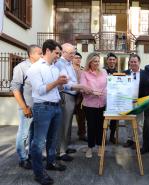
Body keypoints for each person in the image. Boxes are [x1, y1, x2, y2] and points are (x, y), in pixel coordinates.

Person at [27, 39, 68, 185]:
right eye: (57, 53)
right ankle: (39, 174)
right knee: (38, 142)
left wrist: (61, 84)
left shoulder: (55, 68)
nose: (58, 56)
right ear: (48, 51)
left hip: (56, 106)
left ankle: (50, 163)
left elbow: (55, 88)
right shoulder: (35, 68)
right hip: (42, 108)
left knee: (53, 138)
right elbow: (40, 90)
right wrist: (57, 82)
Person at [55, 43, 90, 162]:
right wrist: (79, 86)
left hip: (72, 96)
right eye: (71, 53)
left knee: (68, 124)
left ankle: (65, 146)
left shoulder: (68, 63)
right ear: (63, 52)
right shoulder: (59, 63)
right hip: (66, 95)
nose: (73, 55)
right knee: (64, 124)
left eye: (74, 53)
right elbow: (63, 84)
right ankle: (60, 151)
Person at [10, 45, 42, 169]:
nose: (42, 55)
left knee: (34, 134)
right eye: (39, 53)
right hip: (27, 107)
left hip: (39, 107)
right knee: (23, 134)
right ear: (31, 54)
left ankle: (31, 155)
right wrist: (24, 108)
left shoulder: (41, 67)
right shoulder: (21, 67)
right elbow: (15, 89)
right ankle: (23, 158)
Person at [80, 52, 107, 158]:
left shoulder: (104, 72)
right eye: (94, 61)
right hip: (89, 104)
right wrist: (93, 92)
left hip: (102, 104)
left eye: (98, 61)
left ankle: (100, 146)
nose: (97, 63)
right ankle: (90, 147)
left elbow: (109, 84)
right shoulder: (84, 73)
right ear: (89, 62)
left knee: (101, 126)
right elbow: (82, 88)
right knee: (91, 126)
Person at [123, 53, 145, 149]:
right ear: (129, 63)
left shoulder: (144, 73)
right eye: (131, 62)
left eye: (135, 61)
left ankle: (138, 141)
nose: (133, 63)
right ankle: (130, 139)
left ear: (139, 62)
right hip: (127, 102)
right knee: (127, 122)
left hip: (139, 102)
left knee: (138, 123)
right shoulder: (125, 73)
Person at [72, 51, 87, 141]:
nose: (78, 59)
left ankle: (82, 134)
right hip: (70, 94)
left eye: (79, 58)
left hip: (81, 96)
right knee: (68, 117)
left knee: (81, 116)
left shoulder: (83, 69)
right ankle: (66, 136)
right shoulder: (69, 68)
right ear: (72, 59)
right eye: (76, 57)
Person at [105, 52, 118, 144]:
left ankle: (112, 136)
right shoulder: (102, 72)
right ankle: (103, 137)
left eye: (113, 60)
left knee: (114, 119)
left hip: (114, 99)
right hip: (103, 98)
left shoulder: (119, 73)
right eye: (110, 59)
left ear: (116, 61)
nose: (112, 61)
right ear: (107, 61)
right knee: (103, 119)